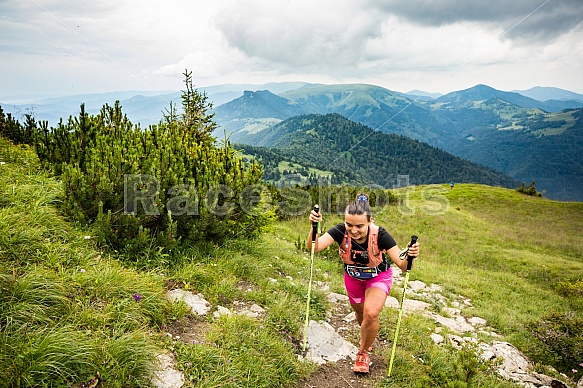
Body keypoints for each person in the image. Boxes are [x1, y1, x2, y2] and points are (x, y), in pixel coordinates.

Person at [307, 194, 420, 374]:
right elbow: (314, 247)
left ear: (370, 221)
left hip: (378, 277)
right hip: (353, 278)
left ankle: (363, 352)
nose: (354, 230)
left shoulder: (381, 235)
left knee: (371, 313)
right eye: (349, 225)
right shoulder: (339, 231)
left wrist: (410, 254)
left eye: (359, 226)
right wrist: (315, 227)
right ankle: (366, 336)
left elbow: (403, 266)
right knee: (360, 312)